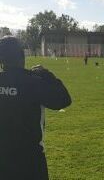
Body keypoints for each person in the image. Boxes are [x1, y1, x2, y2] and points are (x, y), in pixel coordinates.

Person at [0, 36, 72, 180]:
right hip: (30, 159)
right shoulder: (33, 82)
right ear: (22, 55)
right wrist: (48, 75)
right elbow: (64, 100)